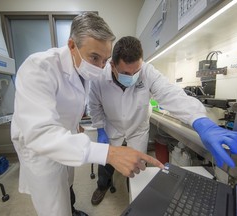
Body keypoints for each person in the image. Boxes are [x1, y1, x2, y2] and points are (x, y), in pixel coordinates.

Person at [10, 14, 164, 216]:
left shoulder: (85, 71)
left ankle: (72, 210)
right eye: (94, 57)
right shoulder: (38, 67)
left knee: (67, 185)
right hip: (42, 151)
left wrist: (75, 125)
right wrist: (107, 152)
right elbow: (40, 133)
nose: (101, 67)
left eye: (105, 60)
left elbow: (69, 103)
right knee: (54, 207)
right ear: (72, 45)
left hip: (68, 139)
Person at [88, 36, 237, 205]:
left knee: (137, 168)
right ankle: (102, 186)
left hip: (137, 130)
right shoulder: (99, 77)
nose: (132, 77)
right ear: (113, 65)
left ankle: (134, 195)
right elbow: (94, 104)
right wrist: (100, 129)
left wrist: (201, 121)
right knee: (106, 162)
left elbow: (170, 94)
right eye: (126, 73)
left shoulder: (148, 72)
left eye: (136, 72)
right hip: (111, 128)